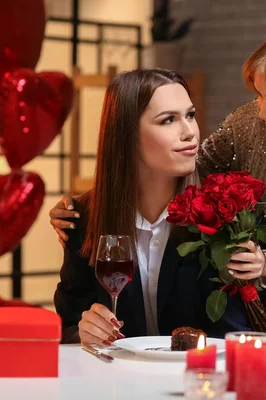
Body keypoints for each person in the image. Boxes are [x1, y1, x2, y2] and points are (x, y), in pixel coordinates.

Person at [50, 22, 266, 329]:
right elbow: (184, 163)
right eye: (258, 94)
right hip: (231, 296)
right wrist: (88, 206)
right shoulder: (252, 123)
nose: (262, 109)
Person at [54, 69, 252, 345]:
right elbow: (66, 325)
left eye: (190, 115)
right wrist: (84, 331)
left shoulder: (221, 212)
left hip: (197, 380)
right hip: (117, 381)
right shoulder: (84, 217)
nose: (190, 132)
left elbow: (235, 333)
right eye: (168, 120)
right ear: (126, 135)